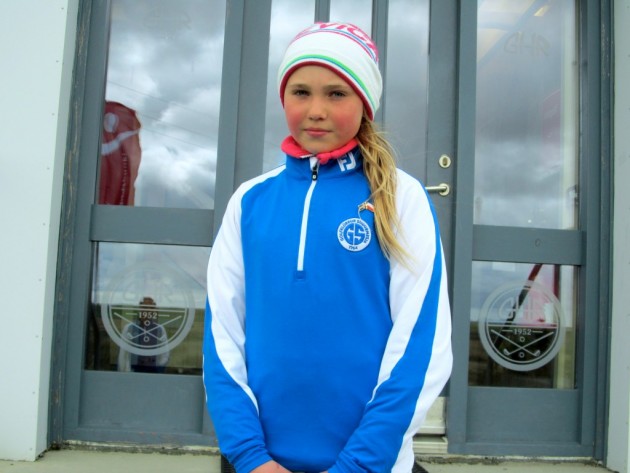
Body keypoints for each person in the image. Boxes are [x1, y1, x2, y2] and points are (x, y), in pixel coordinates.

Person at [203, 22, 453, 473]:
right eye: (301, 92)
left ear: (365, 103)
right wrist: (250, 456)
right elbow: (222, 336)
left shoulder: (401, 197)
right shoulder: (250, 201)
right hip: (258, 463)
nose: (316, 110)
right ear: (284, 98)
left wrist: (359, 464)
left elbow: (422, 345)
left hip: (369, 464)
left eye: (336, 94)